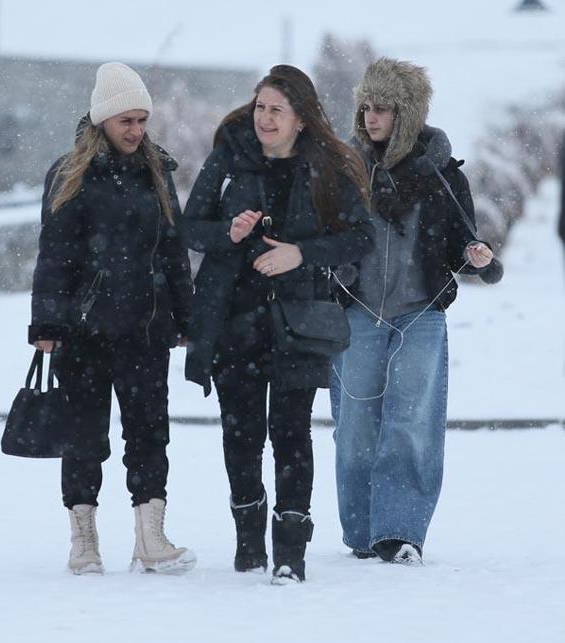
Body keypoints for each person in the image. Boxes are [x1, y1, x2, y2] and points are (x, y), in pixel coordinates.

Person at [179, 65, 374, 583]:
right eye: (261, 107)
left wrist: (300, 254)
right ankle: (248, 546)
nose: (265, 118)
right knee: (240, 436)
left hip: (298, 322)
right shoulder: (228, 159)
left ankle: (290, 552)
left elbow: (360, 237)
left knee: (291, 435)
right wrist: (229, 231)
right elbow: (189, 228)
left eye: (277, 110)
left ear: (301, 119)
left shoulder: (326, 169)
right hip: (233, 320)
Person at [28, 62, 196, 575]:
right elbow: (54, 255)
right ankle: (84, 540)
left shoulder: (157, 174)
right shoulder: (70, 174)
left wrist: (185, 319)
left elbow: (173, 253)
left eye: (142, 120)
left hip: (145, 331)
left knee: (150, 433)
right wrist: (47, 327)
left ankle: (151, 537)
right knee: (84, 436)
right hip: (84, 333)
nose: (136, 130)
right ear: (102, 119)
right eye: (126, 120)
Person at [331, 58, 496, 565]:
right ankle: (362, 531)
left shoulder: (443, 174)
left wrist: (478, 257)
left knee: (411, 422)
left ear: (406, 114)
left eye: (382, 108)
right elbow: (321, 235)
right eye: (365, 107)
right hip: (356, 310)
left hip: (421, 312)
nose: (370, 117)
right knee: (355, 423)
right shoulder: (345, 169)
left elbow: (465, 242)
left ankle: (399, 532)